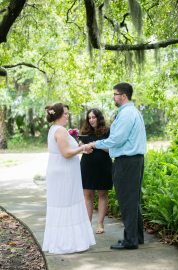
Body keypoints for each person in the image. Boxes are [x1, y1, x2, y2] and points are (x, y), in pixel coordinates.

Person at [90, 83, 146, 250]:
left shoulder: (127, 114)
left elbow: (116, 140)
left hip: (127, 161)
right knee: (132, 200)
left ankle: (130, 241)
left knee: (127, 200)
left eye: (115, 94)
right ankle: (136, 237)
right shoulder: (131, 112)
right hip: (133, 160)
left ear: (123, 96)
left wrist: (95, 144)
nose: (113, 97)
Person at [42, 103, 96, 254]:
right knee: (66, 203)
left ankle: (70, 241)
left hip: (62, 171)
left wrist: (78, 148)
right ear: (58, 115)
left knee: (66, 203)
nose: (67, 116)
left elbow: (66, 150)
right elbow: (66, 154)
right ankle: (66, 244)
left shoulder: (56, 129)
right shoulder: (59, 130)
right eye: (65, 113)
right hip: (63, 174)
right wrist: (83, 148)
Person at [80, 108, 113, 234]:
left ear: (99, 118)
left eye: (93, 117)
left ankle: (100, 224)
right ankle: (87, 224)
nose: (91, 120)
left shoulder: (108, 131)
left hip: (103, 166)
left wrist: (96, 144)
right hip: (87, 166)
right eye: (89, 118)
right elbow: (82, 149)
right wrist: (81, 147)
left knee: (102, 195)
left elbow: (111, 149)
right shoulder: (85, 132)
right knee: (88, 196)